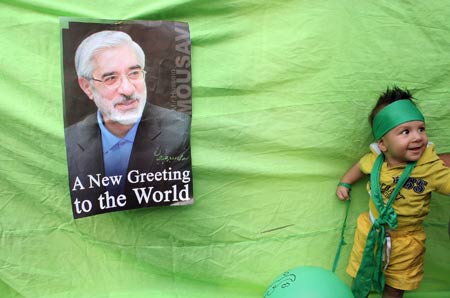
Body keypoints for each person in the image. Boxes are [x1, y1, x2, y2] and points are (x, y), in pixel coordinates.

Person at [335, 86, 450, 298]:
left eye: (421, 129)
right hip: (371, 231)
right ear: (383, 144)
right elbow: (359, 167)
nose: (417, 137)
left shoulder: (431, 167)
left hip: (407, 240)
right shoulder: (375, 161)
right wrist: (345, 182)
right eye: (405, 131)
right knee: (362, 274)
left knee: (396, 287)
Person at [64, 30, 192, 217]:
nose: (127, 89)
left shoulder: (180, 131)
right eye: (110, 78)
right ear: (86, 86)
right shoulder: (69, 141)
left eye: (134, 73)